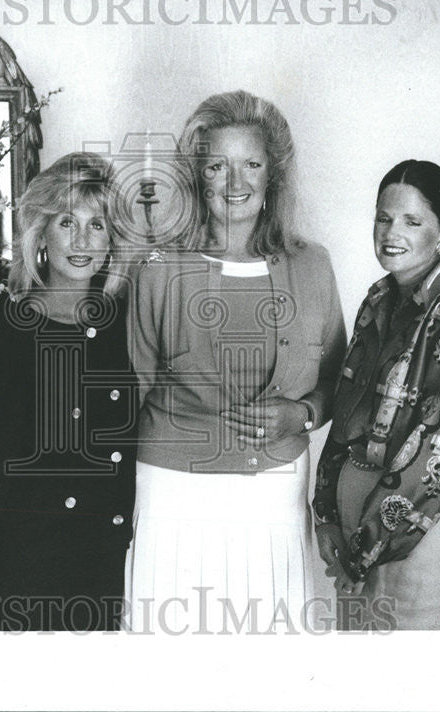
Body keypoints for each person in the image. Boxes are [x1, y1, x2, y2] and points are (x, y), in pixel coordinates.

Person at [125, 90, 347, 633]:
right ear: (196, 176)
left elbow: (342, 379)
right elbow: (126, 390)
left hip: (274, 488)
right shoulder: (156, 267)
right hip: (174, 489)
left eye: (251, 164)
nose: (236, 182)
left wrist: (302, 415)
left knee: (268, 646)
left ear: (274, 174)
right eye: (217, 166)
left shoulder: (313, 265)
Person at [0, 152, 138, 631]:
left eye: (97, 225)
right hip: (30, 568)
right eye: (68, 222)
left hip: (108, 561)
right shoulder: (8, 334)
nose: (83, 241)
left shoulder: (124, 328)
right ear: (42, 233)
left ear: (113, 239)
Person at [312, 160, 440, 630]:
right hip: (353, 526)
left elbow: (438, 453)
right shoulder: (377, 300)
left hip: (416, 532)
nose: (391, 232)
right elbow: (345, 414)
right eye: (383, 217)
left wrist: (363, 551)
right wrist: (325, 515)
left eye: (412, 221)